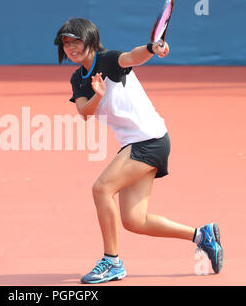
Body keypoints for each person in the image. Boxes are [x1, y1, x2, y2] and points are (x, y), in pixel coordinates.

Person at [54, 18, 223, 284]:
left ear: (89, 40)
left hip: (150, 139)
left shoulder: (108, 60)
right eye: (66, 43)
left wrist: (152, 48)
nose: (71, 47)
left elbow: (133, 56)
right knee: (135, 220)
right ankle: (203, 235)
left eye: (76, 41)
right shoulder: (78, 79)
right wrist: (97, 95)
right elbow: (84, 112)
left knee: (101, 189)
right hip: (135, 144)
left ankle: (112, 262)